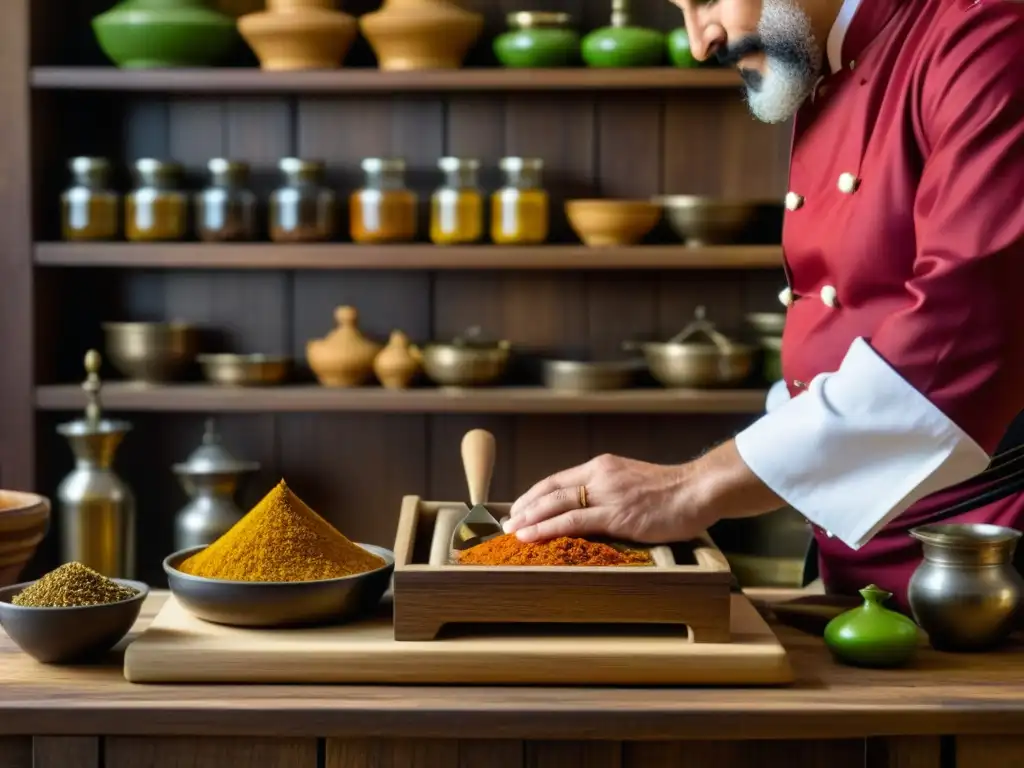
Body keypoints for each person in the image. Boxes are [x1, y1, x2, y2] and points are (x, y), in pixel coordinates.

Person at [504, 0, 1024, 610]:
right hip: (858, 560)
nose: (700, 43)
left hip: (981, 562)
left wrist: (690, 487)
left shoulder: (987, 29)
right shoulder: (827, 59)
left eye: (706, 2)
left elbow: (966, 330)